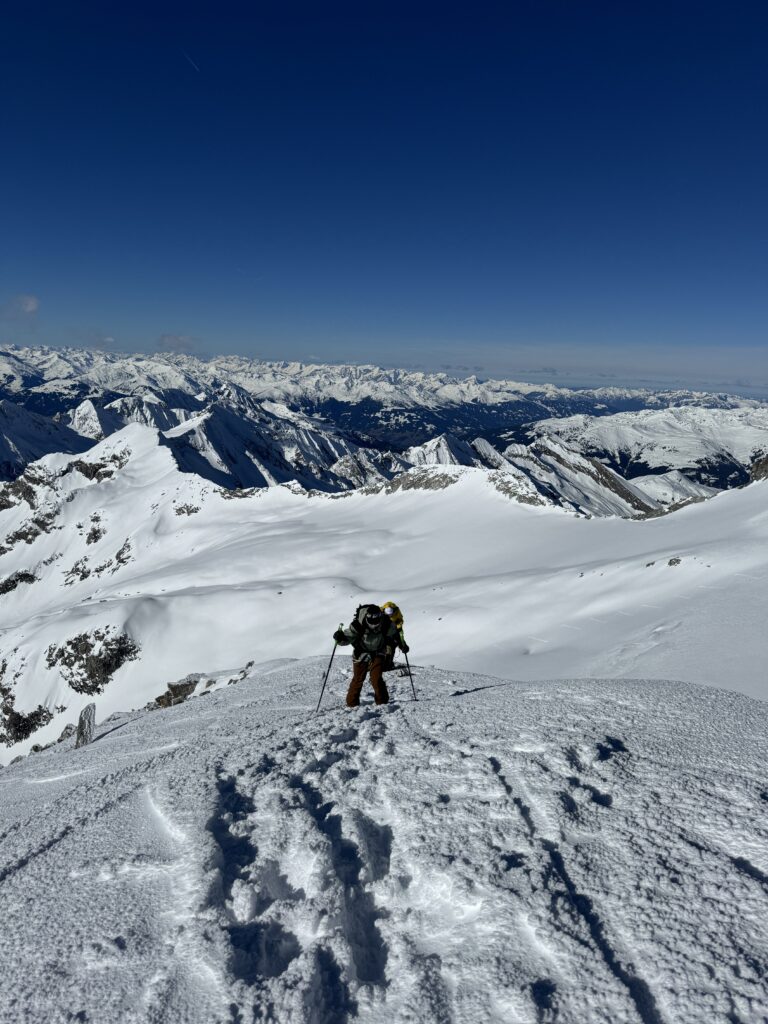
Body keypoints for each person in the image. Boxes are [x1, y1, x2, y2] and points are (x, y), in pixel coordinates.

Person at [333, 604, 409, 707]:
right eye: (371, 623)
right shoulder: (358, 625)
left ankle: (383, 703)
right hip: (361, 652)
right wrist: (340, 638)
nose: (374, 626)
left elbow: (395, 634)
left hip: (379, 652)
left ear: (380, 618)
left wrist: (402, 645)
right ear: (367, 618)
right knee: (358, 679)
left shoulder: (386, 623)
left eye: (376, 623)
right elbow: (348, 637)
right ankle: (351, 704)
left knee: (376, 678)